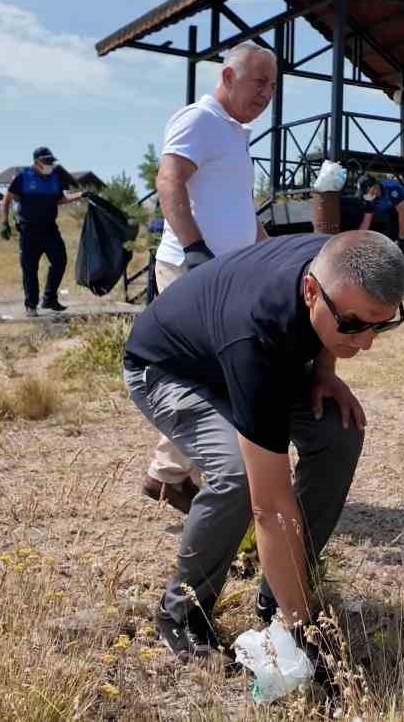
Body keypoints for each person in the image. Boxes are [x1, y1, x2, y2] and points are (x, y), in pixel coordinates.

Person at [122, 230, 404, 667]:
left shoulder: (342, 260)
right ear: (310, 291)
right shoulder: (256, 332)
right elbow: (270, 508)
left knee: (339, 430)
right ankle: (182, 610)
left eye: (381, 324)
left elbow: (332, 322)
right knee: (238, 474)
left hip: (238, 352)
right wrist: (303, 633)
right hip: (170, 369)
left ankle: (280, 594)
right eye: (353, 324)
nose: (366, 342)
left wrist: (325, 370)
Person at [140, 41, 276, 513]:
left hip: (227, 274)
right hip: (191, 269)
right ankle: (171, 475)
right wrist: (195, 249)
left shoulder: (234, 133)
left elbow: (239, 209)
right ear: (228, 77)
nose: (266, 95)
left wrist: (272, 255)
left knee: (215, 372)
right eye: (259, 83)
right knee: (207, 373)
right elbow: (168, 180)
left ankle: (172, 473)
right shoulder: (199, 120)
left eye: (273, 87)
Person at [0, 147, 85, 317]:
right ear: (36, 162)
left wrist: (81, 194)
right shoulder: (23, 177)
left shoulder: (54, 178)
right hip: (29, 229)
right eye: (46, 161)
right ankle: (31, 305)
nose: (49, 164)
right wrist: (4, 222)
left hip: (50, 228)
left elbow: (60, 199)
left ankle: (49, 299)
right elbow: (7, 199)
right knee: (30, 268)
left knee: (60, 260)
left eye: (51, 161)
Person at [356, 175, 404, 294]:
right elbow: (366, 221)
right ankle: (390, 282)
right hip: (394, 217)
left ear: (373, 187)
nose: (365, 195)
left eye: (365, 191)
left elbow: (403, 214)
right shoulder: (370, 199)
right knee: (384, 245)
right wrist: (356, 242)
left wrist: (401, 239)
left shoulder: (392, 189)